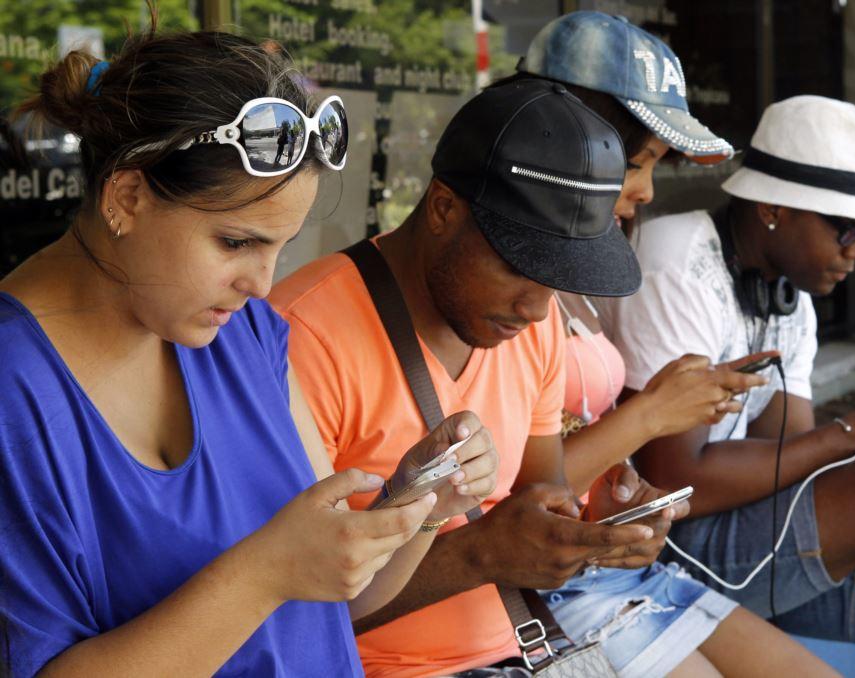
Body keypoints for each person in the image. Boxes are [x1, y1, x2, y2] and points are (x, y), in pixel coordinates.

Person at [272, 77, 835, 677]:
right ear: (442, 209)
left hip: (535, 638)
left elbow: (544, 498)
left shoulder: (525, 323)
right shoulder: (300, 339)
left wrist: (606, 524)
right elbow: (283, 609)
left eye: (558, 278)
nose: (539, 309)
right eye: (523, 267)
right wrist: (478, 554)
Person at [0, 24, 498, 677]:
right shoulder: (16, 390)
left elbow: (334, 602)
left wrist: (417, 508)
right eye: (236, 243)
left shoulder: (246, 334)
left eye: (280, 247)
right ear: (127, 196)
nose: (261, 285)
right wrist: (262, 573)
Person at [597, 95, 855, 674]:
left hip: (744, 539)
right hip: (667, 546)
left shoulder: (788, 298)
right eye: (848, 229)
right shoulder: (677, 263)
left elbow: (790, 458)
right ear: (774, 207)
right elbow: (673, 479)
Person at [512, 12, 828, 677]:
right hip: (534, 596)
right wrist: (651, 414)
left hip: (599, 567)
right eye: (634, 163)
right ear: (558, 141)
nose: (647, 190)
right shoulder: (505, 298)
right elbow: (515, 492)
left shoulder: (579, 279)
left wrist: (619, 497)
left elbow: (568, 460)